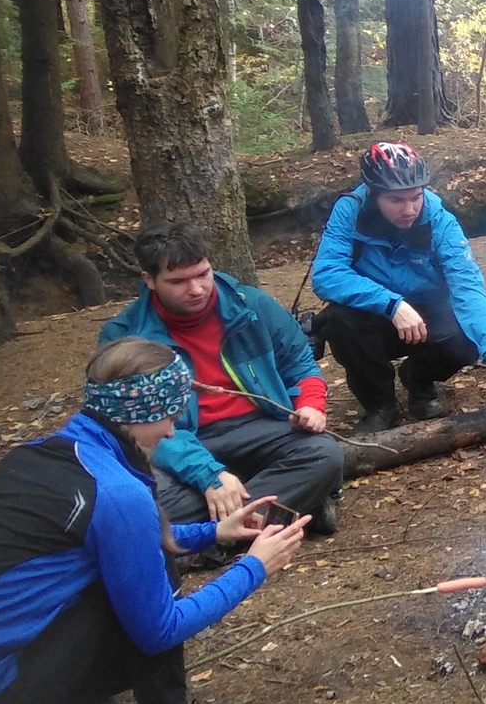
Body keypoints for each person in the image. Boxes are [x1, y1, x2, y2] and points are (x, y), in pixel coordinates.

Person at [0, 339, 304, 704]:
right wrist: (254, 567)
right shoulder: (117, 492)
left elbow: (117, 539)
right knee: (153, 574)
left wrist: (215, 531)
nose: (172, 431)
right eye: (169, 415)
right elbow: (160, 630)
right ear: (139, 414)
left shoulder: (43, 453)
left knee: (141, 561)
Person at [98, 223, 345, 536]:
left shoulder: (252, 306)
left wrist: (311, 403)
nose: (197, 289)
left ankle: (217, 533)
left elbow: (299, 362)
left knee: (323, 454)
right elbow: (134, 427)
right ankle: (285, 508)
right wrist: (208, 474)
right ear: (149, 280)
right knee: (143, 495)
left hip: (260, 428)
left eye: (203, 273)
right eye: (179, 281)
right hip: (177, 440)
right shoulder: (125, 338)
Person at [312, 141, 486, 433]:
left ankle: (418, 379)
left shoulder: (439, 220)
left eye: (416, 197)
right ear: (374, 194)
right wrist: (392, 304)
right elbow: (327, 273)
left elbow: (467, 285)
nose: (409, 209)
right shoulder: (350, 211)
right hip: (374, 315)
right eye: (396, 200)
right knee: (339, 320)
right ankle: (380, 405)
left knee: (467, 337)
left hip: (429, 313)